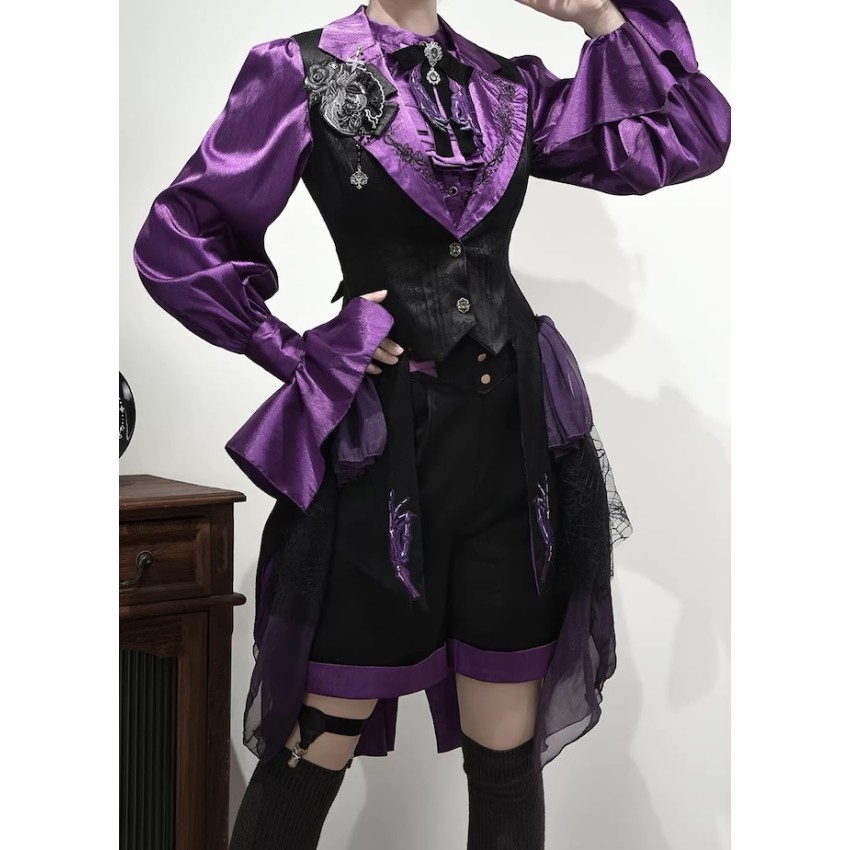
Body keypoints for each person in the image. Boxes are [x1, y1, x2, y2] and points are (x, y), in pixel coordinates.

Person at [132, 0, 731, 847]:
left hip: (512, 449)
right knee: (314, 744)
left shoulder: (507, 87)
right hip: (382, 453)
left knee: (506, 752)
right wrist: (296, 350)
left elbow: (688, 137)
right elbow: (178, 237)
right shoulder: (298, 68)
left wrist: (601, 17)